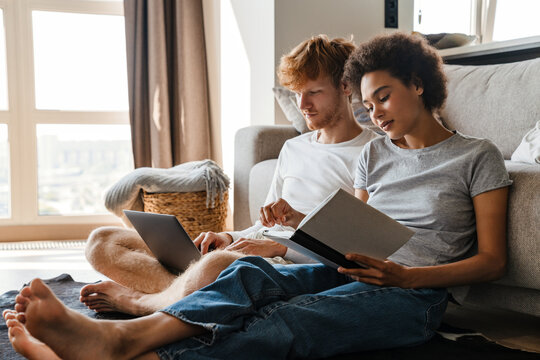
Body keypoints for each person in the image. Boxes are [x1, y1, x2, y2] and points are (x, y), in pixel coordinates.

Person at [4, 32, 512, 360]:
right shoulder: (375, 155)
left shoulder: (475, 156)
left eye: (383, 97)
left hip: (418, 295)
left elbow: (491, 262)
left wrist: (409, 275)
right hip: (350, 271)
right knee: (247, 274)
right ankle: (120, 341)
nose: (375, 113)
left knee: (290, 320)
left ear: (418, 85)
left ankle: (130, 349)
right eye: (367, 102)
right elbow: (355, 235)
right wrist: (303, 233)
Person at [79, 34, 379, 316]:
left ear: (345, 86)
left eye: (313, 92)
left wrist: (282, 247)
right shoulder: (293, 149)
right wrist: (227, 236)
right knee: (102, 241)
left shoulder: (372, 153)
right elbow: (266, 225)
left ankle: (145, 300)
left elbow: (356, 251)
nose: (303, 106)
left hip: (294, 266)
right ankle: (187, 296)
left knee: (217, 265)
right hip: (252, 251)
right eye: (297, 94)